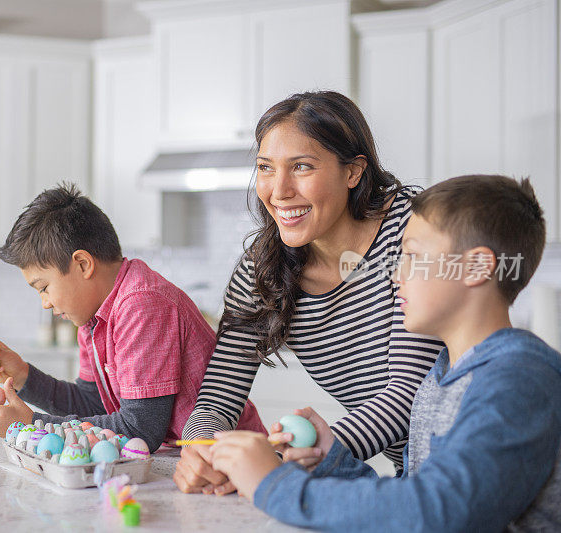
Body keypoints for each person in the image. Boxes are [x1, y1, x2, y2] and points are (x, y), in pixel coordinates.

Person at [208, 175, 561, 531]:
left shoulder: (518, 378)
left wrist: (276, 485)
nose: (394, 275)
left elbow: (441, 510)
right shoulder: (444, 376)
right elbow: (410, 498)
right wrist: (333, 459)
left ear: (477, 267)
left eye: (413, 256)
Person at [176, 91, 445, 495]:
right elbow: (218, 398)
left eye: (301, 166)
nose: (279, 190)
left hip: (469, 468)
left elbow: (409, 396)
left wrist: (278, 461)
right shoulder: (262, 269)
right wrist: (203, 450)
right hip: (411, 477)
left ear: (353, 172)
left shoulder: (414, 232)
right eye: (266, 168)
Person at [0, 183, 266, 451]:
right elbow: (92, 402)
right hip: (187, 460)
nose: (45, 303)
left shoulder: (142, 304)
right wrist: (23, 375)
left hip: (232, 459)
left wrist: (33, 424)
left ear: (83, 264)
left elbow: (140, 430)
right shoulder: (92, 317)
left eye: (44, 288)